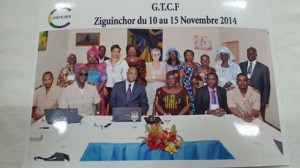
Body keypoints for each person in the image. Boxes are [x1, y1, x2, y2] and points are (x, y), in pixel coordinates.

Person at [239, 47, 270, 121]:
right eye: (248, 53)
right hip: (244, 98)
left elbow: (267, 85)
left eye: (252, 53)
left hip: (258, 99)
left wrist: (264, 101)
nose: (250, 54)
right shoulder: (241, 65)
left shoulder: (263, 68)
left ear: (256, 54)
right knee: (245, 118)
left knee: (259, 119)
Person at [104, 44, 129, 115]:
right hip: (108, 88)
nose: (116, 53)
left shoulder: (123, 62)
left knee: (117, 107)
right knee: (107, 107)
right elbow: (102, 76)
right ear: (111, 52)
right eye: (114, 51)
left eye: (118, 51)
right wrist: (103, 88)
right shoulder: (105, 63)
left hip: (119, 88)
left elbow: (125, 75)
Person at [86, 46, 107, 115]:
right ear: (87, 57)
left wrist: (96, 92)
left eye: (94, 57)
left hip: (98, 91)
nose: (92, 58)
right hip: (85, 92)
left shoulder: (101, 67)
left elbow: (103, 81)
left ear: (96, 57)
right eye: (90, 57)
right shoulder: (83, 67)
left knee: (98, 112)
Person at [178, 49, 201, 115]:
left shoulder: (197, 65)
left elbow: (199, 77)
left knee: (196, 102)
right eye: (187, 55)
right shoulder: (182, 65)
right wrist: (181, 89)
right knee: (188, 104)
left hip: (196, 87)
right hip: (186, 88)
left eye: (191, 55)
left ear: (193, 56)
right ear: (185, 56)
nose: (189, 56)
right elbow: (181, 78)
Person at [145, 48, 167, 115]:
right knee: (150, 103)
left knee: (160, 104)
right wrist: (158, 77)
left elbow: (164, 78)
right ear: (151, 55)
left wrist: (153, 77)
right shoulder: (148, 64)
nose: (155, 56)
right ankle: (149, 119)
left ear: (160, 55)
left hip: (161, 87)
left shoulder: (163, 64)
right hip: (150, 87)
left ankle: (160, 120)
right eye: (153, 55)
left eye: (157, 54)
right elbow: (147, 79)